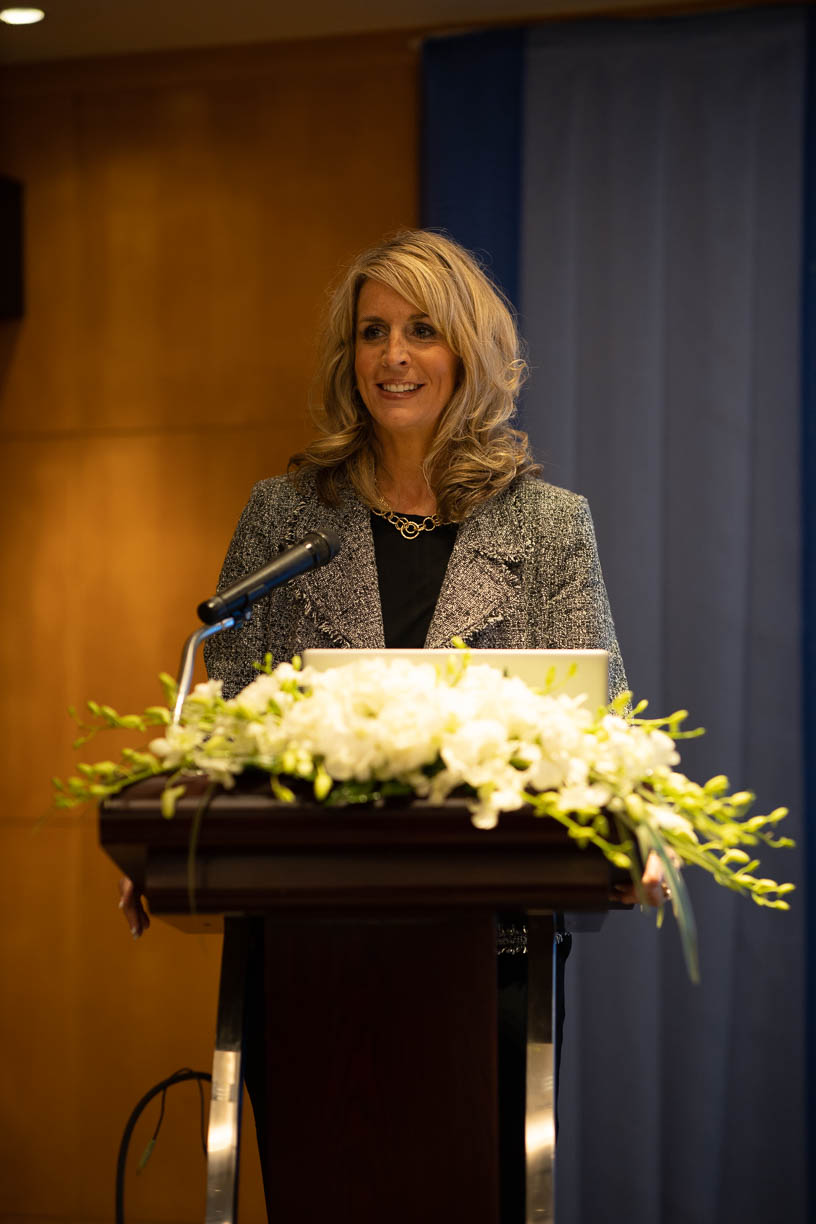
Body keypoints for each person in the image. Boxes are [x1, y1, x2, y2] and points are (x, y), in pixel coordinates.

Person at [118, 228, 666, 1218]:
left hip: (490, 958)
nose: (393, 356)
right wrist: (169, 827)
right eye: (372, 332)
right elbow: (225, 712)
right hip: (307, 958)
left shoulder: (549, 527)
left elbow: (603, 723)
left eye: (421, 330)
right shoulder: (286, 517)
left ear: (469, 351)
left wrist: (641, 830)